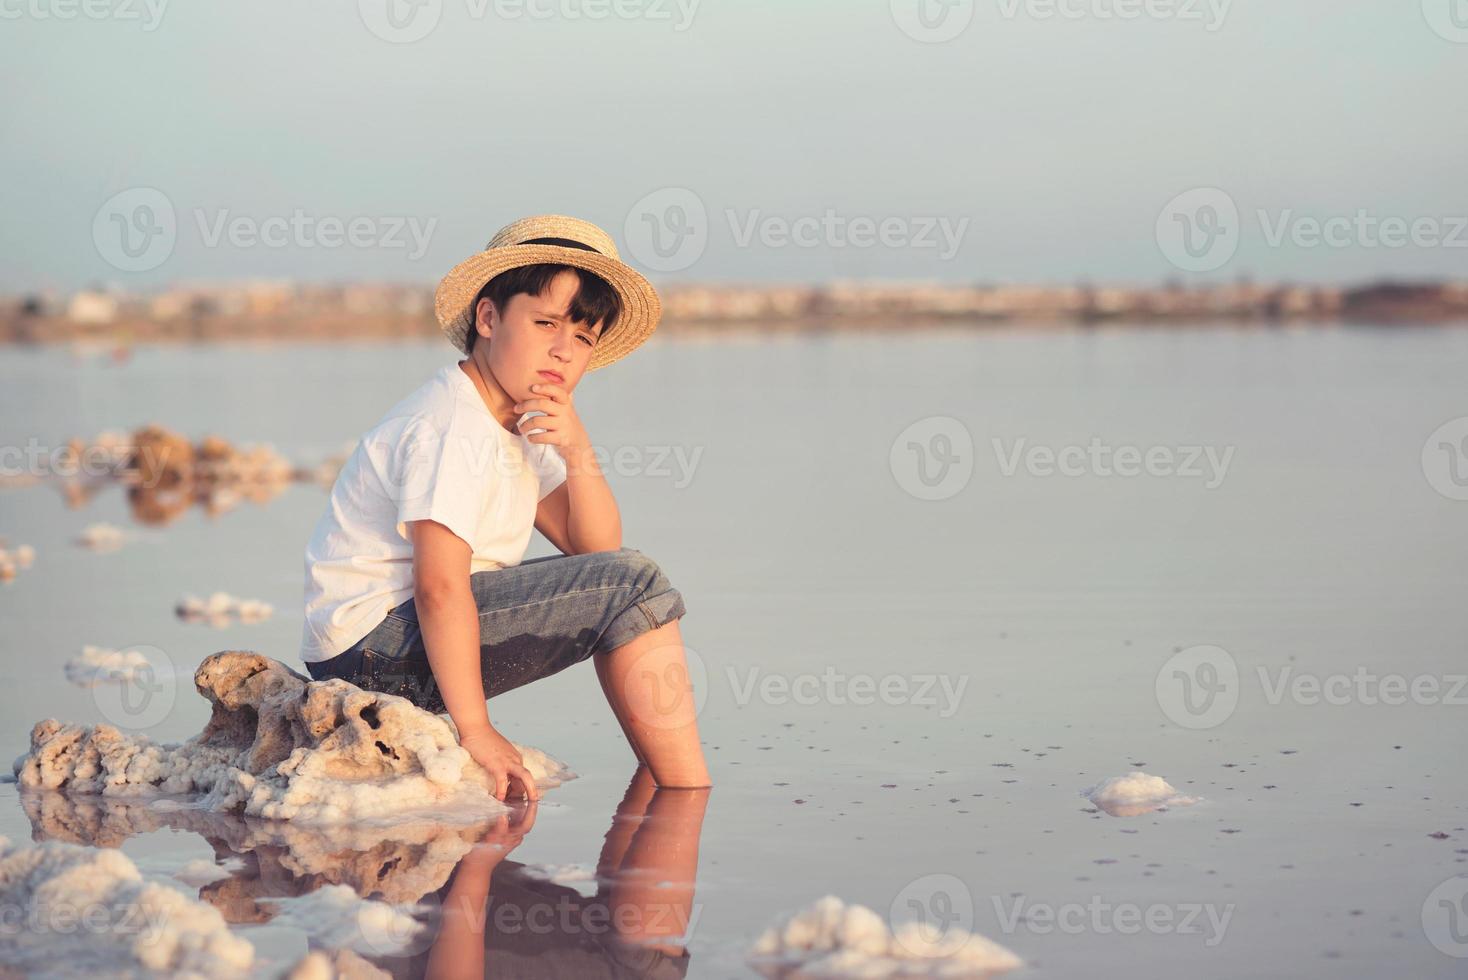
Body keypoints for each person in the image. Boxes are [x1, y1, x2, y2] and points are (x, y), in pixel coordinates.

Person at [299, 215, 712, 800]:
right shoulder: (453, 424)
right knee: (636, 583)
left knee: (628, 584)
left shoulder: (511, 419)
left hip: (393, 642)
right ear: (489, 318)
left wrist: (576, 447)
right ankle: (687, 790)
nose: (563, 351)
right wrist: (477, 731)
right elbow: (439, 585)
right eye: (545, 323)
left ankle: (662, 783)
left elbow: (594, 551)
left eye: (583, 337)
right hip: (374, 651)